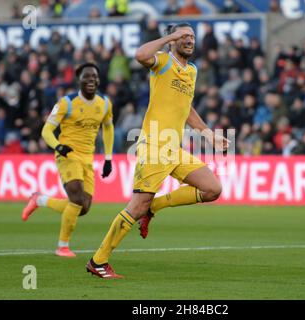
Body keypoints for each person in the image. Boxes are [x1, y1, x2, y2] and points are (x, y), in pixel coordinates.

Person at [86, 23, 229, 279]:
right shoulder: (162, 61)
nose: (189, 40)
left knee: (212, 189)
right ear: (173, 40)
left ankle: (154, 208)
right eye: (183, 36)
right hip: (154, 146)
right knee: (136, 206)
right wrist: (169, 37)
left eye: (192, 37)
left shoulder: (192, 71)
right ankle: (98, 261)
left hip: (174, 148)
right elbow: (140, 55)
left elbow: (186, 109)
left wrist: (209, 135)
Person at [21, 63, 114, 258]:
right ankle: (62, 246)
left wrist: (108, 158)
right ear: (78, 80)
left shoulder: (104, 103)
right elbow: (46, 130)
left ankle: (40, 199)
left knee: (84, 207)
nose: (91, 80)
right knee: (77, 199)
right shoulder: (67, 103)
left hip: (87, 158)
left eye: (94, 77)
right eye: (86, 77)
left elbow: (108, 128)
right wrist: (58, 146)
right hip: (67, 155)